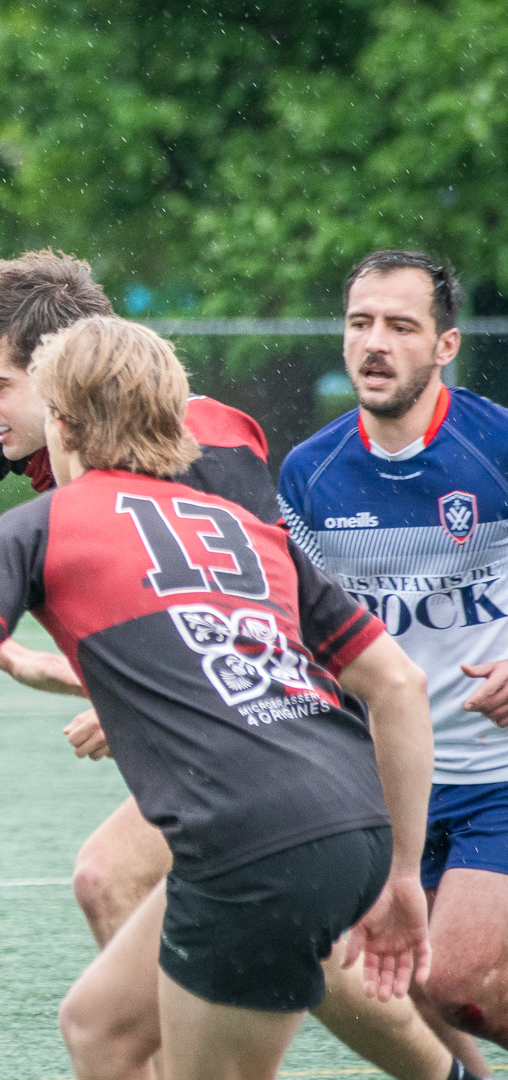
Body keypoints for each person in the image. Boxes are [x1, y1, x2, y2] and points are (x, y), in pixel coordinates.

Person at [0, 250, 464, 1080]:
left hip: (285, 711)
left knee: (231, 899)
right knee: (149, 937)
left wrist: (152, 689)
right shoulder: (28, 433)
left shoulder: (204, 444)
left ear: (58, 378)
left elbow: (245, 613)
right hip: (283, 756)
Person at [280, 249, 508, 1062]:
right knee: (405, 974)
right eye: (359, 323)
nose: (374, 343)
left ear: (445, 346)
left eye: (401, 326)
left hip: (496, 776)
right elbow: (293, 625)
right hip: (385, 783)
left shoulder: (498, 446)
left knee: (459, 980)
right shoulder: (311, 473)